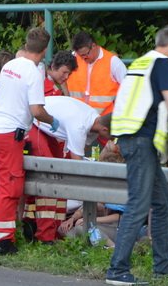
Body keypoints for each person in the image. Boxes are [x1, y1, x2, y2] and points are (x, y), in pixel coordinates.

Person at [105, 24, 168, 286]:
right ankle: (117, 269)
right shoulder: (160, 64)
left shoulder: (140, 62)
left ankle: (163, 268)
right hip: (140, 140)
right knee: (138, 204)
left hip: (130, 138)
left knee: (162, 205)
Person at [0, 27, 58, 255]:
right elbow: (36, 110)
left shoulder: (10, 66)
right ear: (44, 51)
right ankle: (3, 241)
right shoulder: (33, 72)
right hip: (9, 135)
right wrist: (53, 121)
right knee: (8, 188)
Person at [23, 95, 111, 243]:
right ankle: (44, 237)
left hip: (47, 129)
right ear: (104, 129)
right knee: (49, 182)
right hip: (35, 124)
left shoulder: (93, 118)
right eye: (111, 136)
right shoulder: (80, 125)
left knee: (59, 179)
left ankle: (52, 230)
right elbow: (77, 166)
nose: (109, 141)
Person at [66, 31, 127, 115]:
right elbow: (57, 75)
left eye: (85, 54)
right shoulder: (73, 58)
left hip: (104, 120)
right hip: (78, 117)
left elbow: (129, 87)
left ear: (94, 46)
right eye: (80, 55)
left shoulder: (113, 62)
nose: (83, 58)